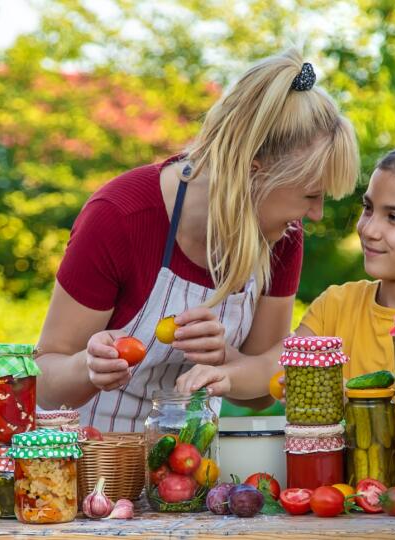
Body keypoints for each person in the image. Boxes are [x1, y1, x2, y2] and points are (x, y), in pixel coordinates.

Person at [35, 49, 359, 432]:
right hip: (91, 467)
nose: (317, 214)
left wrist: (227, 357)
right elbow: (42, 380)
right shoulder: (121, 216)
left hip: (191, 477)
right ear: (253, 173)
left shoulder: (280, 234)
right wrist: (86, 367)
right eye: (311, 195)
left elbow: (257, 393)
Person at [178, 140, 395, 405]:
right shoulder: (337, 305)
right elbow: (273, 367)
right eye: (369, 208)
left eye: (394, 217)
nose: (369, 229)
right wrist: (223, 372)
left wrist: (354, 405)